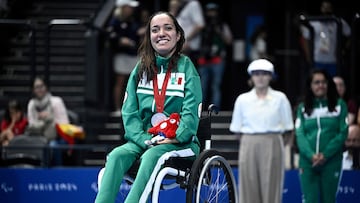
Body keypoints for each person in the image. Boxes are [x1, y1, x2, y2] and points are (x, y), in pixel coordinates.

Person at [95, 11, 202, 203]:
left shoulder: (187, 67)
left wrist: (175, 137)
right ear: (149, 37)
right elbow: (129, 112)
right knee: (117, 155)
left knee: (153, 156)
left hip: (181, 143)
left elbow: (191, 110)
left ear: (178, 35)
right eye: (155, 29)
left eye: (168, 28)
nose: (161, 33)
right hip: (144, 141)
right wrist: (145, 140)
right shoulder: (140, 69)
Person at [229, 59, 294, 203]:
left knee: (272, 185)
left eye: (264, 74)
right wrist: (250, 143)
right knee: (248, 184)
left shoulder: (280, 98)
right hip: (248, 142)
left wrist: (280, 147)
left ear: (270, 76)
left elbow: (289, 129)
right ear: (251, 77)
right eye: (256, 74)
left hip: (273, 141)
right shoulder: (243, 99)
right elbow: (237, 130)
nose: (260, 77)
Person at [295, 69, 348, 203]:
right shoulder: (302, 108)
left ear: (328, 84)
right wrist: (311, 155)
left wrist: (325, 154)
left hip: (331, 161)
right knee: (309, 200)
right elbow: (300, 134)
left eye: (324, 82)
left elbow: (342, 133)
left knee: (329, 200)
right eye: (316, 82)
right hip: (308, 163)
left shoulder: (340, 105)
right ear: (310, 86)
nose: (320, 85)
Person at [300, 0, 351, 77]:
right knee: (318, 82)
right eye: (324, 7)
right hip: (317, 60)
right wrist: (308, 56)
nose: (326, 10)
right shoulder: (314, 23)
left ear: (332, 9)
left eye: (328, 8)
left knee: (334, 83)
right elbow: (304, 38)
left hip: (333, 61)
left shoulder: (338, 22)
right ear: (321, 8)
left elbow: (350, 34)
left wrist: (344, 50)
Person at [197, 3, 233, 109]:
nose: (211, 14)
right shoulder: (202, 26)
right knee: (202, 86)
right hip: (204, 59)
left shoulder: (222, 25)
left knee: (215, 86)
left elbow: (229, 41)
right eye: (209, 11)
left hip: (217, 59)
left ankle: (215, 109)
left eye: (213, 11)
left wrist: (219, 31)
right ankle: (200, 109)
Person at [27, 77, 70, 165]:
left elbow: (65, 124)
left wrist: (50, 118)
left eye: (41, 86)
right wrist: (44, 123)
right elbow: (31, 125)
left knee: (52, 145)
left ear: (46, 87)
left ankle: (57, 173)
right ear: (33, 90)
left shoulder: (56, 101)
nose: (39, 89)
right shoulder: (31, 104)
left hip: (57, 137)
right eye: (36, 87)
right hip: (38, 137)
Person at [108, 0, 140, 115]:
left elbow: (135, 34)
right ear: (123, 7)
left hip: (133, 55)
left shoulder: (132, 21)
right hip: (121, 55)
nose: (131, 10)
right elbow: (111, 35)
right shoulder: (115, 21)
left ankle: (135, 108)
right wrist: (120, 40)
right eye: (129, 7)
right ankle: (118, 108)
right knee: (120, 82)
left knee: (136, 82)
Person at [169, 0, 205, 67]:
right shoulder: (179, 7)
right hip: (178, 49)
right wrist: (173, 9)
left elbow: (200, 25)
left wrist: (185, 40)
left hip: (189, 49)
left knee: (189, 74)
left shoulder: (193, 4)